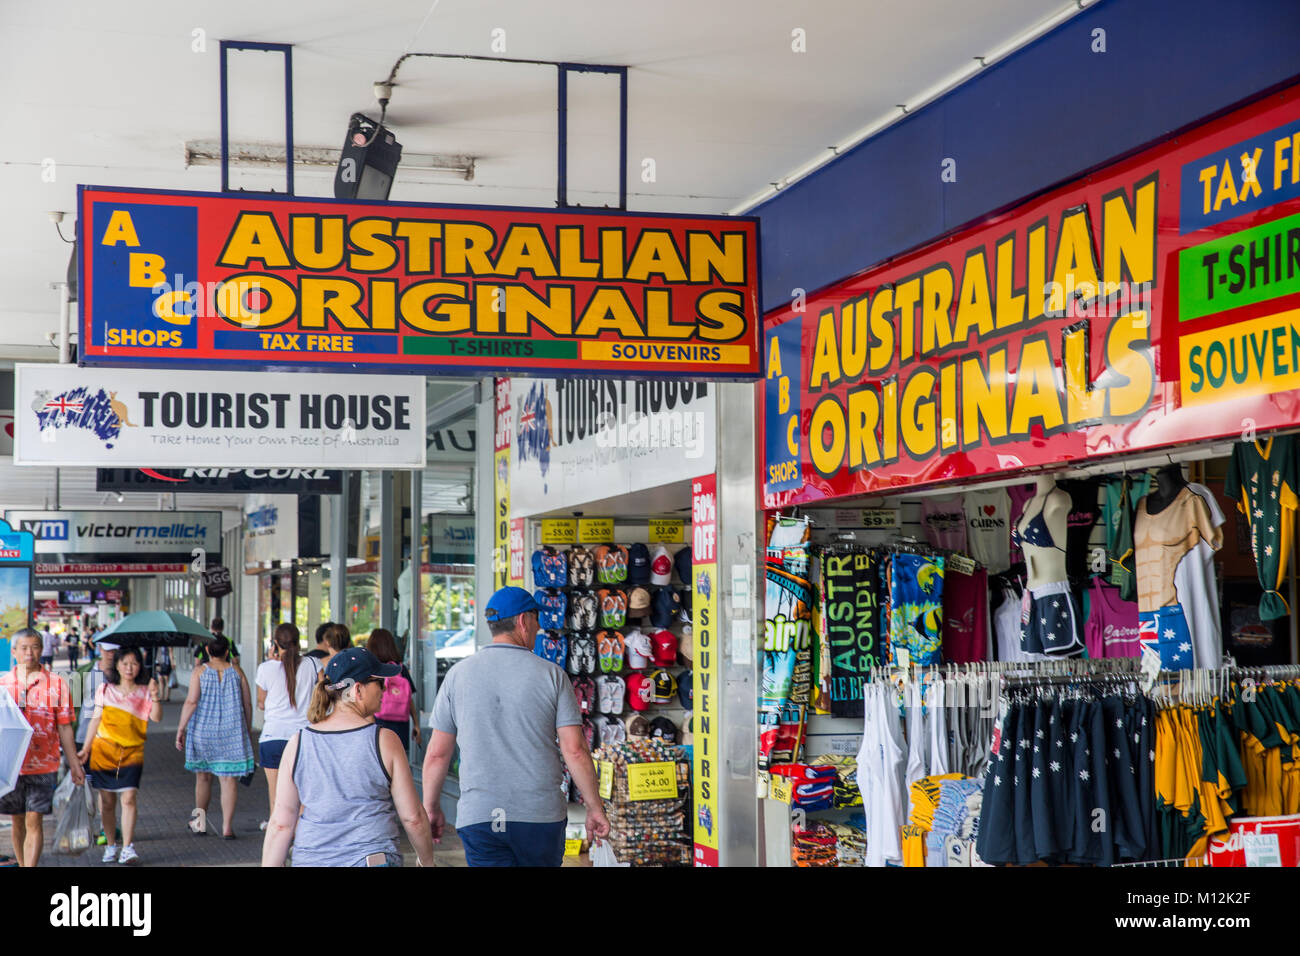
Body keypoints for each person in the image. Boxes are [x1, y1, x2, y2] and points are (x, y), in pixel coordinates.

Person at [422, 587, 610, 867]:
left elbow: (438, 754)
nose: (539, 628)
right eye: (537, 619)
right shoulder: (552, 675)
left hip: (481, 816)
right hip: (539, 816)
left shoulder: (457, 676)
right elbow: (576, 751)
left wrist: (431, 807)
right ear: (523, 621)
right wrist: (595, 807)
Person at [261, 647, 435, 868]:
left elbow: (281, 824)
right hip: (371, 859)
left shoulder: (298, 743)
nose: (385, 689)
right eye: (379, 683)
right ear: (358, 690)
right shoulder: (384, 741)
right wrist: (427, 861)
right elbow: (413, 817)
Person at [0, 628, 84, 867]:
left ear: (42, 649)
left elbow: (65, 728)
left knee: (34, 820)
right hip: (11, 766)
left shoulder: (57, 685)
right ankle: (22, 861)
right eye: (24, 648)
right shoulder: (3, 685)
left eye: (35, 647)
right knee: (17, 821)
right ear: (14, 652)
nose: (30, 653)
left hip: (45, 763)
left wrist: (74, 764)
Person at [76, 646, 162, 865]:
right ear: (117, 666)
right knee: (107, 802)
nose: (129, 668)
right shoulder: (104, 690)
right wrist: (86, 749)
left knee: (130, 798)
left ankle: (128, 847)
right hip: (103, 752)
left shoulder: (144, 691)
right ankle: (112, 845)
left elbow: (157, 718)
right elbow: (95, 720)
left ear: (140, 666)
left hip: (133, 753)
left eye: (134, 663)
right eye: (125, 663)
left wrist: (155, 695)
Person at [176, 636, 253, 838]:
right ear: (227, 652)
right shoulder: (237, 672)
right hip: (231, 731)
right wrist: (247, 728)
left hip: (203, 731)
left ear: (208, 650)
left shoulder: (199, 671)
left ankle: (199, 823)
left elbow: (191, 702)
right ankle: (227, 828)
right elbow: (247, 704)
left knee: (203, 778)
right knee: (228, 780)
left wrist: (181, 729)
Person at [255, 622, 320, 829]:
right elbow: (323, 695)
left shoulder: (265, 668)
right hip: (303, 739)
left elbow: (261, 703)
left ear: (275, 644)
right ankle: (300, 844)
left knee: (276, 799)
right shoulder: (313, 664)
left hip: (272, 738)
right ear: (299, 641)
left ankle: (277, 848)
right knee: (302, 797)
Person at [365, 628, 422, 754]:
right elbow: (409, 700)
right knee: (399, 763)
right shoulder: (400, 669)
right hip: (400, 728)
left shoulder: (370, 670)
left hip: (377, 726)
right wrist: (416, 725)